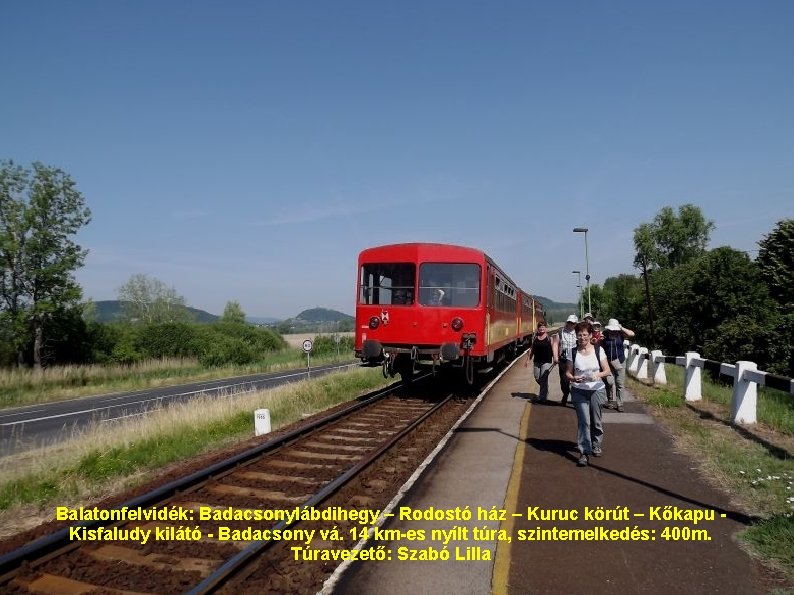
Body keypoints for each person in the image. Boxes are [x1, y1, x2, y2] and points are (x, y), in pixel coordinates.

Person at [566, 321, 611, 467]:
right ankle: (584, 452)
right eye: (579, 335)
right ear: (576, 336)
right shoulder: (572, 351)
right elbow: (568, 372)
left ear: (590, 335)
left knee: (596, 421)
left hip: (596, 390)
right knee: (584, 421)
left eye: (585, 334)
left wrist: (596, 375)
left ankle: (596, 444)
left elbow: (607, 370)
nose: (582, 337)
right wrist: (573, 378)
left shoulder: (599, 350)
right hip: (579, 390)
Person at [602, 318, 636, 412]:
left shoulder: (621, 333)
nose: (613, 330)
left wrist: (621, 328)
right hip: (608, 362)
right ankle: (610, 400)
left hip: (620, 361)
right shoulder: (604, 334)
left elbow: (632, 334)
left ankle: (620, 404)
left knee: (620, 383)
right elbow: (598, 343)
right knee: (609, 382)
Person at [553, 314, 578, 406]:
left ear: (576, 324)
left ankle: (576, 399)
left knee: (576, 380)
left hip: (576, 360)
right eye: (569, 322)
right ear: (567, 322)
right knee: (564, 381)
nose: (571, 324)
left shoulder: (578, 331)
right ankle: (566, 393)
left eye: (573, 323)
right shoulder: (561, 331)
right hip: (563, 360)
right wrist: (555, 357)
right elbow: (555, 344)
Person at [527, 322, 555, 403]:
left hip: (546, 361)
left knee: (543, 378)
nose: (541, 328)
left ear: (545, 328)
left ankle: (542, 398)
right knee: (537, 378)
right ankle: (545, 388)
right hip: (537, 361)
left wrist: (555, 358)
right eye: (540, 327)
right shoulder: (535, 337)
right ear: (538, 328)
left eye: (543, 327)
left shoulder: (550, 338)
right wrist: (528, 359)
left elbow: (553, 349)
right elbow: (532, 349)